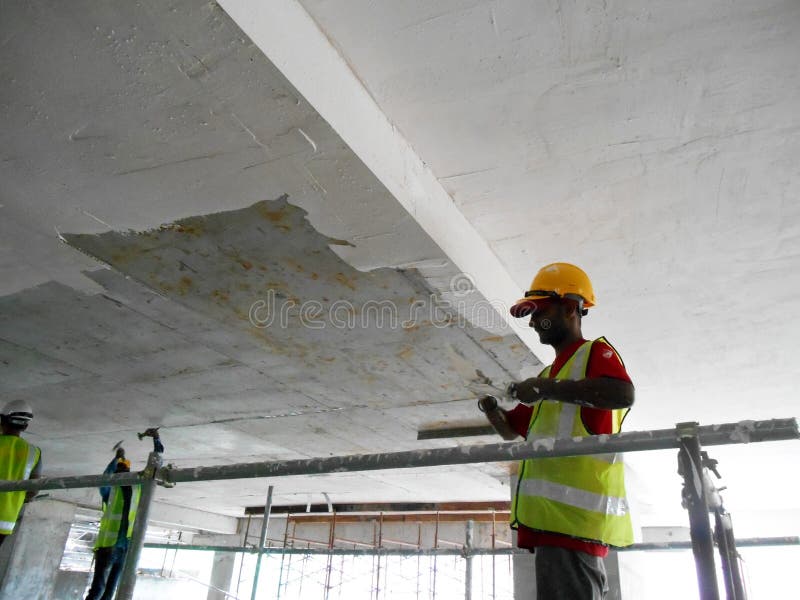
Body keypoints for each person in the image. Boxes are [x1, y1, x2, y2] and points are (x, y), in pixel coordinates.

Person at [478, 262, 634, 600]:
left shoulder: (594, 353)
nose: (533, 321)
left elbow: (622, 394)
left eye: (539, 311)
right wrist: (490, 408)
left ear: (569, 307)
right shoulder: (550, 373)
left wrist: (547, 388)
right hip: (552, 526)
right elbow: (510, 431)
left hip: (573, 525)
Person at [85, 456, 141, 600]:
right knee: (101, 590)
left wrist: (115, 460)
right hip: (113, 548)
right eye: (120, 469)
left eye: (123, 469)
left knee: (105, 592)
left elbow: (104, 479)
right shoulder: (116, 490)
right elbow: (104, 480)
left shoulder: (134, 488)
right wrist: (115, 460)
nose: (122, 473)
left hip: (119, 549)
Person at [0, 400, 42, 547]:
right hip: (5, 522)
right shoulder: (34, 451)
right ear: (25, 425)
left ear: (2, 420)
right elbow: (33, 490)